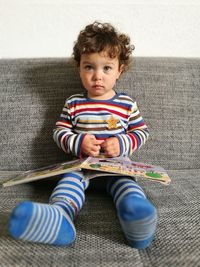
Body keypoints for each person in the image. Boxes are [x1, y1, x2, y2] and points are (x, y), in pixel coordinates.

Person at [8, 21, 157, 249]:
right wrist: (79, 142)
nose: (97, 76)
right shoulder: (74, 103)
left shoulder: (127, 104)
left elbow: (141, 131)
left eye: (106, 68)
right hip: (81, 165)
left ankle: (135, 216)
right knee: (68, 183)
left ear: (120, 70)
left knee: (127, 185)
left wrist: (121, 142)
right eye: (89, 67)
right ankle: (60, 217)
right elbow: (60, 132)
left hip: (116, 165)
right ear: (79, 68)